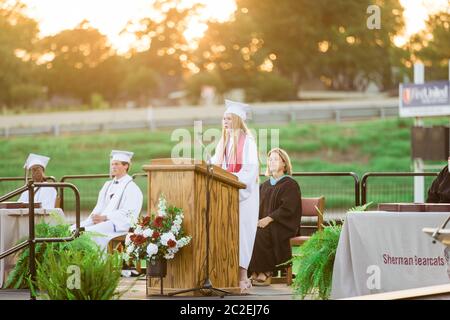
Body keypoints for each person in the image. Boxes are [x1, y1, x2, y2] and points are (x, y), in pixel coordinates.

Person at [211, 99, 259, 293]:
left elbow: (249, 171)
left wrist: (231, 179)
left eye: (229, 118)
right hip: (225, 194)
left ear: (238, 120)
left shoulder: (248, 142)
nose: (225, 121)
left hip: (243, 197)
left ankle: (242, 275)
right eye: (223, 118)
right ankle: (223, 274)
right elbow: (215, 165)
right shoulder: (223, 142)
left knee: (242, 235)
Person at [248, 148, 302, 286]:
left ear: (284, 164)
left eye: (276, 159)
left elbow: (288, 209)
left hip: (284, 225)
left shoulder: (290, 184)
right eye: (270, 159)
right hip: (266, 224)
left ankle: (266, 271)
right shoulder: (265, 185)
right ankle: (255, 270)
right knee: (251, 231)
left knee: (262, 232)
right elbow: (256, 206)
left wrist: (268, 219)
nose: (271, 162)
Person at [76, 150, 143, 250]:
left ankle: (99, 263)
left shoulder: (132, 188)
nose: (113, 167)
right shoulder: (108, 185)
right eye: (112, 164)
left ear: (126, 166)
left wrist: (105, 217)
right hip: (104, 221)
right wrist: (96, 217)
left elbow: (128, 213)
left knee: (90, 233)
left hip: (119, 224)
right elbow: (100, 205)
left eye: (116, 164)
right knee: (74, 229)